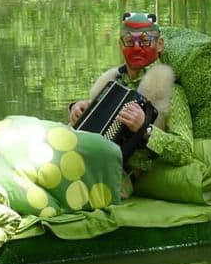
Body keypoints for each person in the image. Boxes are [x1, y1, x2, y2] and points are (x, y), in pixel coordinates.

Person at [68, 12, 194, 193]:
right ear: (120, 45)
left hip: (121, 174)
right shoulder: (112, 81)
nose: (136, 48)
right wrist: (78, 110)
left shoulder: (172, 91)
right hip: (86, 158)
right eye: (129, 41)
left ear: (159, 45)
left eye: (144, 41)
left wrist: (145, 129)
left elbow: (185, 152)